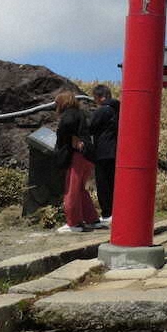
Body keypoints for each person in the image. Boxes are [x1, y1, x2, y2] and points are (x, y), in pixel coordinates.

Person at [53, 89, 99, 233]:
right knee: (80, 189)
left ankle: (74, 223)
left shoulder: (68, 115)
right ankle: (92, 219)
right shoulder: (80, 113)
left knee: (71, 189)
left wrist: (62, 144)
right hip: (87, 156)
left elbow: (64, 133)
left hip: (76, 156)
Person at [88, 84, 120, 226]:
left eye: (95, 98)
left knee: (103, 184)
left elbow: (90, 127)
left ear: (101, 97)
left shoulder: (102, 111)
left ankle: (107, 214)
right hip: (116, 151)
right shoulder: (118, 109)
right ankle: (117, 212)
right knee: (114, 183)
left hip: (103, 152)